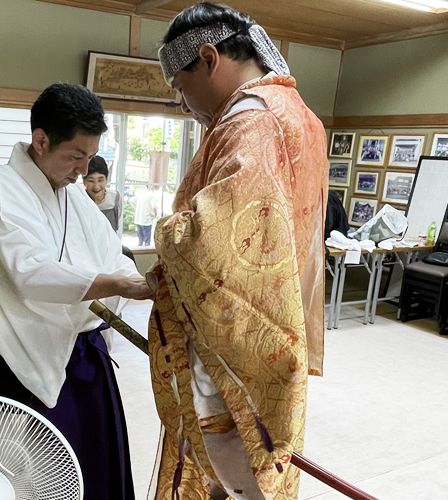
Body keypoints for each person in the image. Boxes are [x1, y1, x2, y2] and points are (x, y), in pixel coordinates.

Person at [146, 3, 328, 499]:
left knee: (231, 468)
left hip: (232, 337)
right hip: (277, 326)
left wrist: (165, 232)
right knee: (267, 454)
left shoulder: (248, 122)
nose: (184, 104)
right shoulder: (299, 115)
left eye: (181, 87)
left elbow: (210, 241)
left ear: (208, 58)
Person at [0, 83, 153, 500]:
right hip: (25, 355)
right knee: (35, 474)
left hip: (86, 353)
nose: (83, 171)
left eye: (90, 158)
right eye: (76, 156)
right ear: (41, 140)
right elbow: (29, 272)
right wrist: (121, 285)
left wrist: (138, 280)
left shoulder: (73, 195)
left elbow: (110, 251)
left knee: (95, 464)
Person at [83, 155, 123, 236]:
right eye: (91, 181)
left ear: (107, 179)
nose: (96, 186)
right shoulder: (79, 200)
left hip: (111, 246)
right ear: (84, 181)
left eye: (100, 180)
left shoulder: (115, 199)